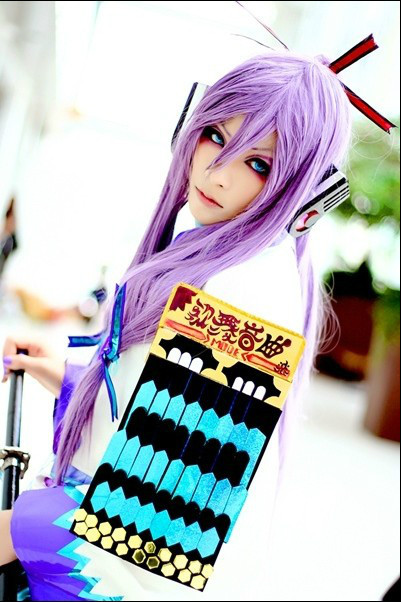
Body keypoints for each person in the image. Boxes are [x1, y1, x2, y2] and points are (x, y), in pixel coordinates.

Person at [0, 41, 393, 600]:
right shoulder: (224, 253)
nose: (218, 172)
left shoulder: (248, 291)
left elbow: (154, 516)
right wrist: (70, 376)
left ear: (301, 188)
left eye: (259, 163)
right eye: (215, 135)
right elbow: (160, 419)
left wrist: (15, 528)